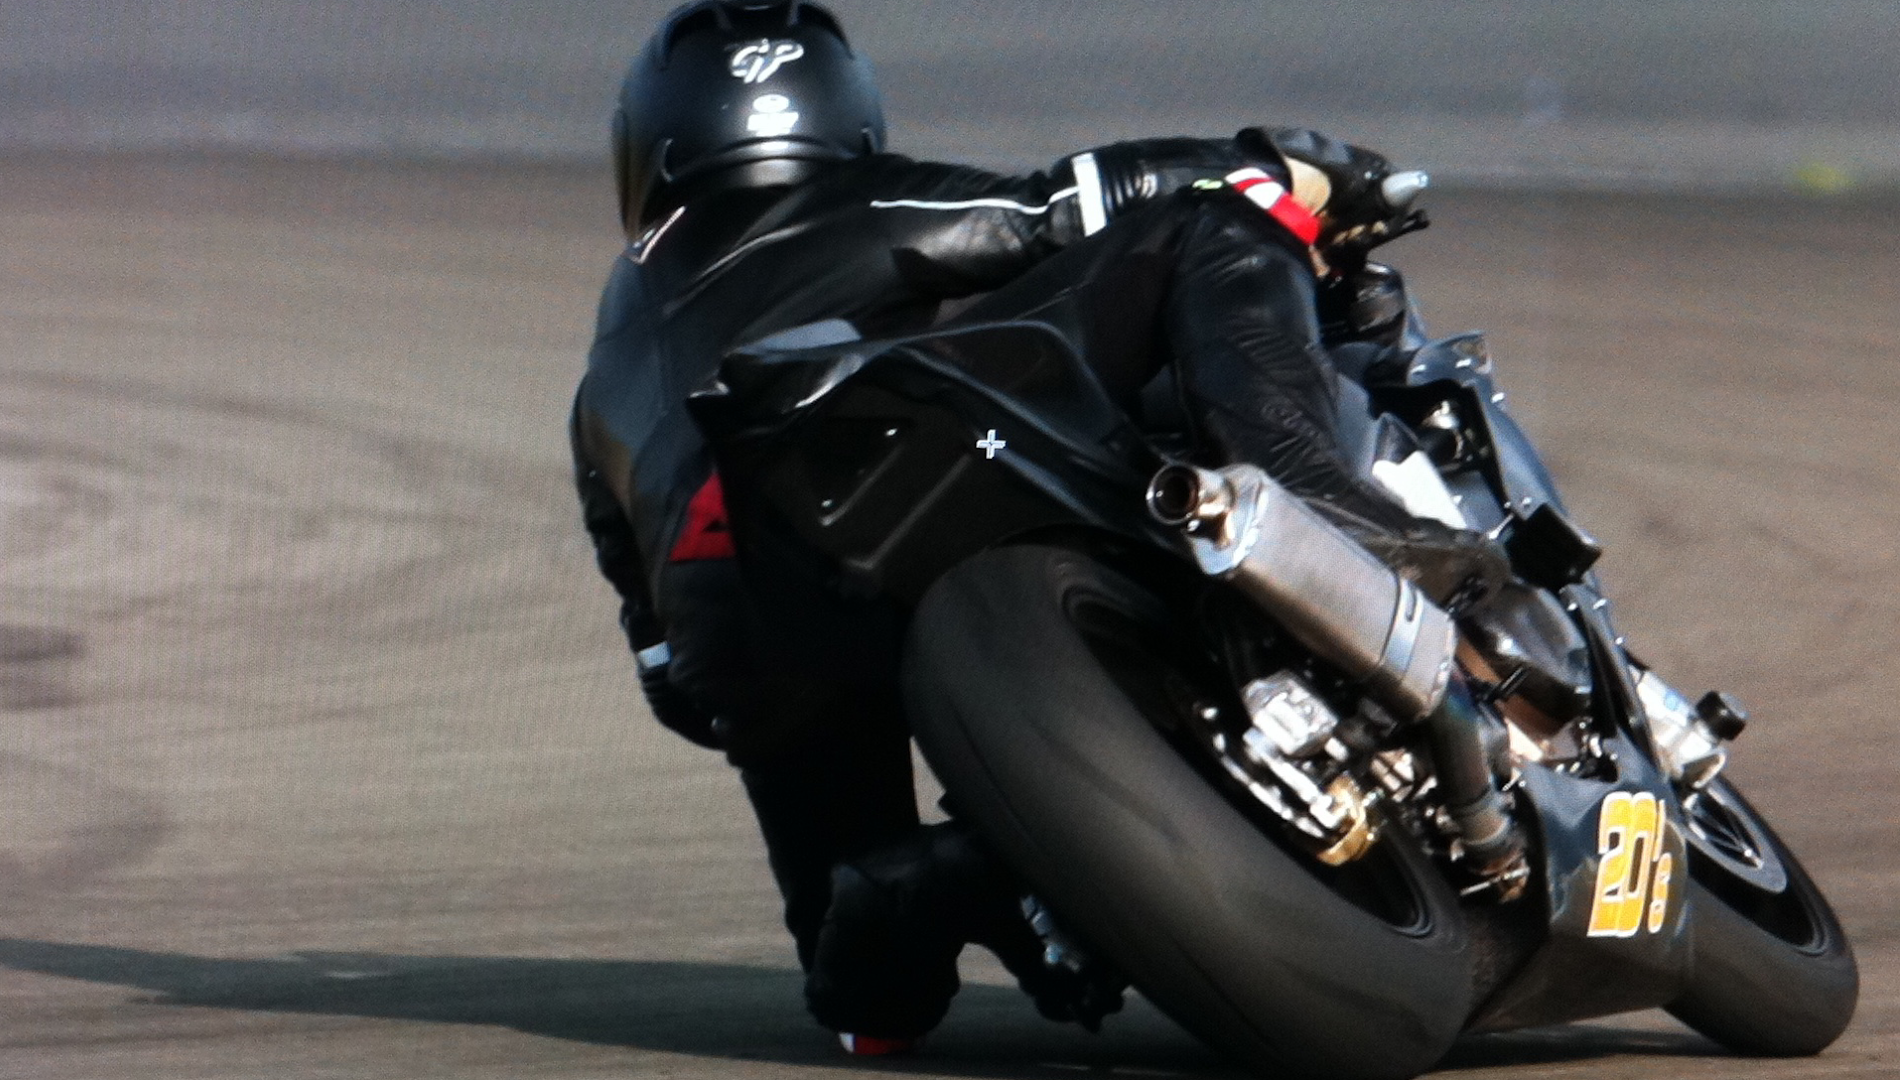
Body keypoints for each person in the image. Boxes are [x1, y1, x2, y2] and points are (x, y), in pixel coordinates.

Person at [572, 0, 1505, 1053]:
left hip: (739, 625)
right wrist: (1295, 166)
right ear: (844, 118)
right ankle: (1328, 510)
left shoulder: (603, 368)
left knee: (873, 1013)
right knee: (1213, 216)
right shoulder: (860, 196)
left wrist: (746, 700)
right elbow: (1070, 203)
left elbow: (663, 675)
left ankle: (937, 880)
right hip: (887, 486)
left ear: (651, 145)